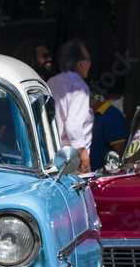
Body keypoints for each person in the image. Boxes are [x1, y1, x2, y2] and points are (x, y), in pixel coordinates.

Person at [46, 39, 93, 172]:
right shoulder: (79, 87)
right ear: (80, 64)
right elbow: (73, 126)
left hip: (51, 157)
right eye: (88, 59)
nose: (90, 63)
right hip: (72, 159)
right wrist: (82, 154)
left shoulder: (51, 82)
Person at [89, 94, 128, 171]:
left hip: (105, 173)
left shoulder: (110, 114)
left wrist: (115, 171)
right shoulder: (94, 114)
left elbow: (119, 149)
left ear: (95, 99)